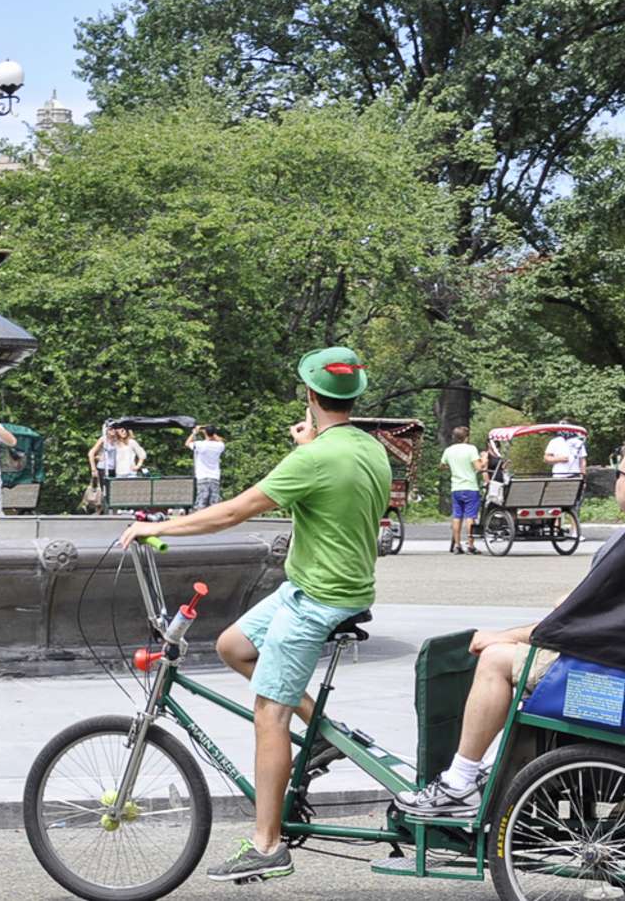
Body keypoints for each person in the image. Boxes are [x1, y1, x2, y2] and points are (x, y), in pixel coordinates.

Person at [116, 347, 388, 884]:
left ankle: (268, 845)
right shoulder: (366, 446)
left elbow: (234, 512)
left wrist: (157, 528)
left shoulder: (312, 459)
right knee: (233, 645)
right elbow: (337, 477)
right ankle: (326, 733)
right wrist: (312, 443)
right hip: (332, 587)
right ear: (352, 398)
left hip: (318, 599)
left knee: (270, 715)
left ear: (311, 398)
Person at [395, 435, 625, 819]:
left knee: (495, 660)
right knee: (507, 650)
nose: (616, 480)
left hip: (613, 684)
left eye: (619, 472)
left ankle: (459, 782)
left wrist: (503, 637)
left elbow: (569, 622)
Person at [441, 425, 486, 555]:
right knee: (470, 517)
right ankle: (470, 545)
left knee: (457, 516)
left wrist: (453, 467)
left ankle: (457, 544)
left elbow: (442, 465)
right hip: (470, 487)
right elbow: (478, 467)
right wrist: (483, 459)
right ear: (466, 437)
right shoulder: (471, 449)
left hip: (456, 487)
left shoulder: (448, 450)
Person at [188, 424, 228, 509]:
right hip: (214, 477)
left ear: (205, 433)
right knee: (214, 505)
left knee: (201, 504)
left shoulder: (200, 445)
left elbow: (187, 443)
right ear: (214, 434)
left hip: (202, 477)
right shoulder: (220, 446)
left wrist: (195, 432)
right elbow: (220, 440)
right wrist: (211, 431)